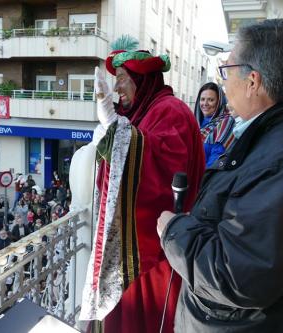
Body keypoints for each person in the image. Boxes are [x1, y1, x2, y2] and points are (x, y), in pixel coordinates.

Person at [156, 19, 283, 333]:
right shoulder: (275, 137)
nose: (222, 83)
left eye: (226, 70)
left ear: (253, 81)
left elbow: (237, 276)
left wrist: (174, 231)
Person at [78, 36, 205, 333]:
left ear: (142, 79)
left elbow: (159, 174)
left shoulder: (169, 110)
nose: (117, 88)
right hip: (148, 252)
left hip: (154, 256)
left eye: (122, 79)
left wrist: (116, 128)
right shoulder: (148, 111)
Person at [194, 82, 235, 167]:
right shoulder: (196, 123)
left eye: (211, 100)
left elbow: (216, 160)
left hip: (204, 177)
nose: (205, 103)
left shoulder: (226, 122)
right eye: (202, 99)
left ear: (219, 102)